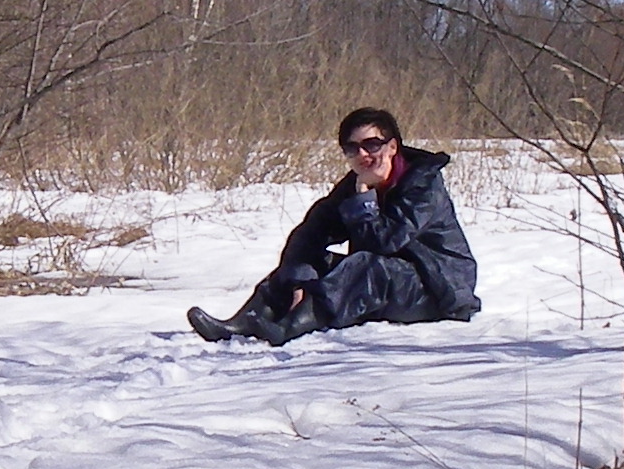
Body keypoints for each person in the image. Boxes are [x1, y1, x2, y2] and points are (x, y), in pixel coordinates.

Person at [188, 108, 481, 346]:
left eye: (372, 145)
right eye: (352, 149)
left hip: (438, 290)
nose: (363, 155)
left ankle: (289, 327)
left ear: (393, 147)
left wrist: (364, 202)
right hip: (386, 283)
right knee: (314, 259)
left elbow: (384, 243)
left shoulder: (423, 185)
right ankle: (243, 322)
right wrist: (299, 279)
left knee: (366, 266)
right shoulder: (354, 184)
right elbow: (312, 231)